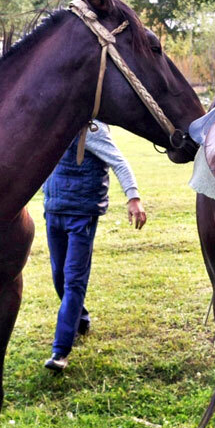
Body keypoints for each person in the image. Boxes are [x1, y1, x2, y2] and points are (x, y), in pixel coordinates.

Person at [42, 123, 146, 372]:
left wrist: (133, 198)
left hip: (81, 214)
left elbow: (119, 162)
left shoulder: (92, 130)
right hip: (54, 210)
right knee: (59, 276)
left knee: (73, 281)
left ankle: (60, 351)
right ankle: (81, 319)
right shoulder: (55, 122)